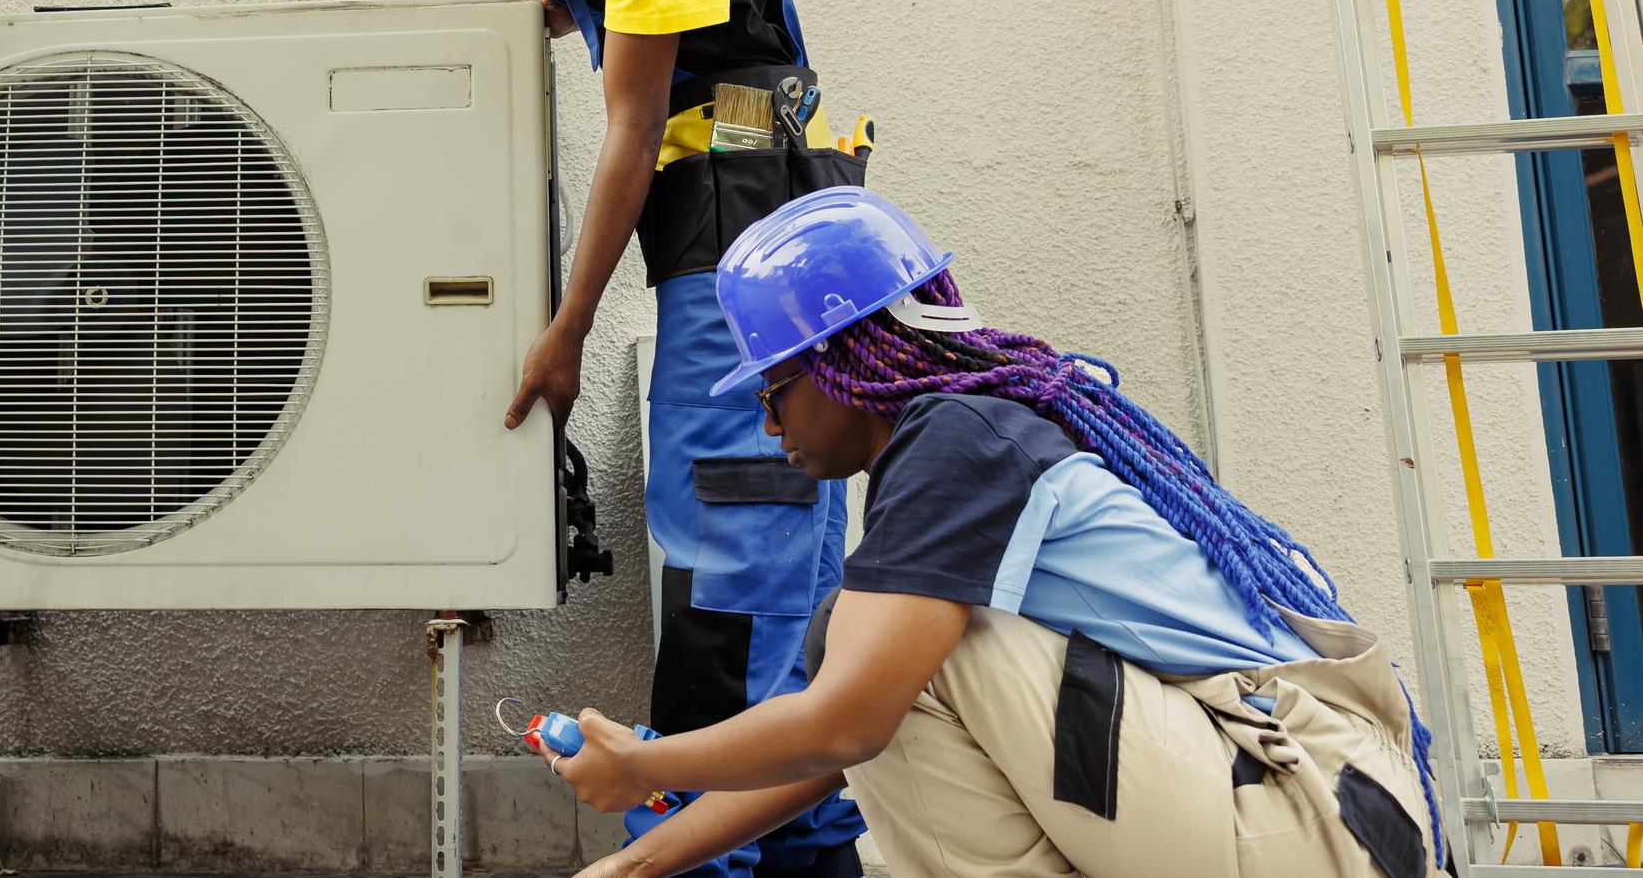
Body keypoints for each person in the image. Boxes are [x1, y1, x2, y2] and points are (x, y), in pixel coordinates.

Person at [549, 186, 1440, 878]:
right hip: (1317, 807)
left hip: (1300, 809)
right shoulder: (970, 437)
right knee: (876, 650)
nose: (768, 422)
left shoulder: (954, 439)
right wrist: (638, 863)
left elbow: (848, 722)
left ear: (841, 361)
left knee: (866, 650)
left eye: (773, 390)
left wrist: (647, 766)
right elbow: (838, 745)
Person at [419, 0, 867, 877]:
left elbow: (630, 128)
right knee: (761, 554)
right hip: (741, 224)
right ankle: (799, 849)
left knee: (732, 550)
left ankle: (696, 849)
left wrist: (564, 331)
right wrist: (560, 2)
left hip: (736, 239)